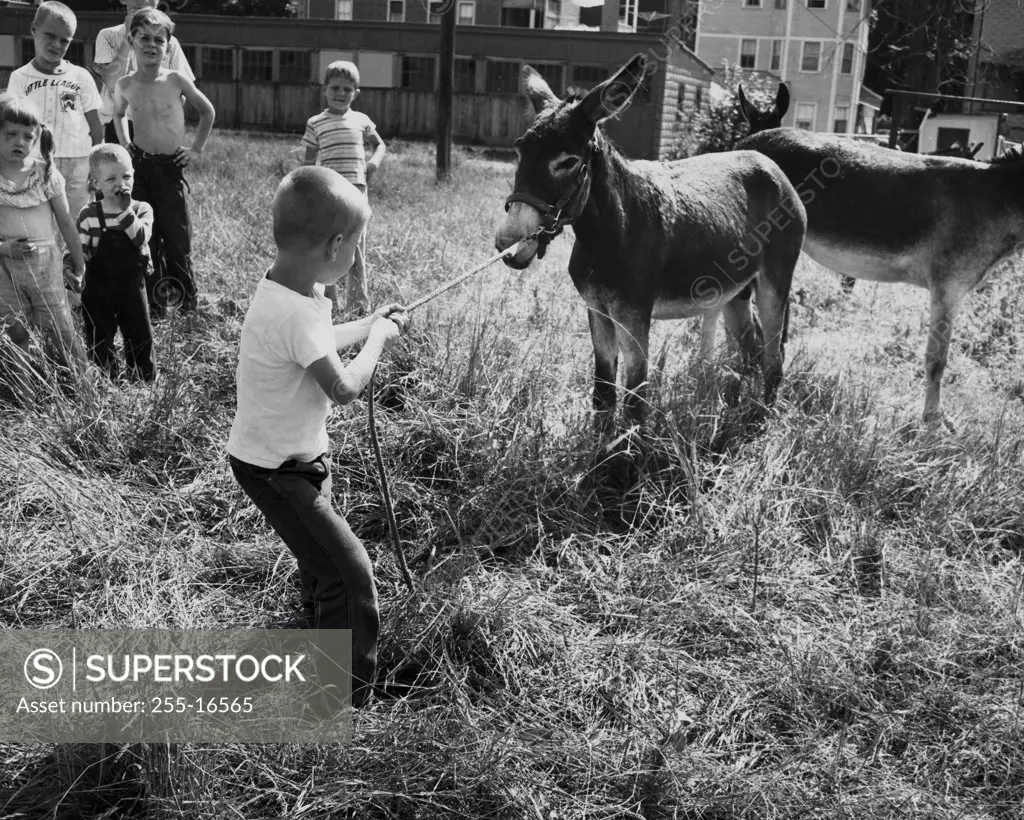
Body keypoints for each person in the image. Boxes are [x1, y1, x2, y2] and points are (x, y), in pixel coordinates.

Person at [226, 166, 408, 706]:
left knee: (319, 559)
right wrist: (378, 337)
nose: (355, 256)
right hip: (281, 472)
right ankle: (344, 698)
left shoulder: (282, 289)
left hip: (281, 462)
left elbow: (316, 339)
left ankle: (319, 642)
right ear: (335, 246)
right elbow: (346, 386)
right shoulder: (297, 314)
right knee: (351, 576)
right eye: (356, 246)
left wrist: (366, 321)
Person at [113, 7, 214, 319]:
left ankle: (187, 303)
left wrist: (195, 148)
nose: (151, 45)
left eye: (159, 39)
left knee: (176, 236)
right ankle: (155, 304)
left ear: (168, 46)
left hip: (170, 169)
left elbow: (207, 111)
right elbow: (117, 113)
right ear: (131, 41)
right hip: (140, 169)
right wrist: (125, 143)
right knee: (146, 236)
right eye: (144, 37)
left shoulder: (175, 80)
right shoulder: (125, 85)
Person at [5, 1, 102, 305]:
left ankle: (76, 293)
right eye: (50, 35)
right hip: (39, 165)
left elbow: (96, 127)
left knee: (76, 225)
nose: (56, 44)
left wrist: (97, 167)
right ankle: (41, 292)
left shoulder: (81, 77)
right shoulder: (20, 78)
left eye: (65, 40)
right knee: (46, 230)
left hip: (78, 164)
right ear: (33, 31)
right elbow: (13, 123)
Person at [0, 93, 86, 371]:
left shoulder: (45, 173)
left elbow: (66, 222)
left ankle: (85, 389)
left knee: (61, 328)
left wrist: (79, 263)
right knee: (16, 332)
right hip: (4, 267)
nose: (19, 142)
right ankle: (23, 397)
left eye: (28, 136)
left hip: (45, 265)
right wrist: (4, 248)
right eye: (11, 134)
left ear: (37, 138)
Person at [302, 61, 386, 316]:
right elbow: (308, 161)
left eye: (347, 89)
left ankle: (358, 304)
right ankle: (328, 299)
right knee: (327, 245)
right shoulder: (316, 123)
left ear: (356, 93)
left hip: (356, 193)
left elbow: (380, 145)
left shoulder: (361, 120)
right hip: (328, 193)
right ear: (324, 89)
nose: (340, 94)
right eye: (335, 88)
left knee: (354, 247)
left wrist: (373, 164)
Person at [77, 143, 155, 382]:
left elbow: (140, 237)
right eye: (111, 179)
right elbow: (82, 250)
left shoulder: (141, 209)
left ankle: (141, 378)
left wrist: (125, 212)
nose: (121, 183)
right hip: (99, 286)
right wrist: (73, 267)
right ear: (95, 183)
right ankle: (104, 377)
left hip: (131, 286)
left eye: (126, 176)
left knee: (139, 331)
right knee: (99, 332)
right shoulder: (89, 214)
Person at [92, 0, 195, 146]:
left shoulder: (170, 43)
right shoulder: (108, 36)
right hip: (118, 126)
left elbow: (182, 94)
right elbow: (112, 84)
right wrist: (129, 37)